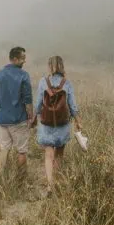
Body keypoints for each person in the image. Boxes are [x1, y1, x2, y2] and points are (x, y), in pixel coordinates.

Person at [33, 55, 82, 189]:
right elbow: (72, 106)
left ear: (50, 66)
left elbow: (38, 104)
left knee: (48, 154)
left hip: (46, 123)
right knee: (59, 154)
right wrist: (78, 121)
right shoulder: (67, 83)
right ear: (62, 66)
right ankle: (58, 180)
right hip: (62, 123)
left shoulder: (43, 81)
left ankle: (50, 185)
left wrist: (33, 118)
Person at [0, 46, 33, 175]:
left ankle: (0, 178)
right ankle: (21, 181)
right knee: (22, 151)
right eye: (22, 58)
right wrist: (31, 117)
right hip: (19, 119)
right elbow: (27, 100)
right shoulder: (24, 75)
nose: (24, 61)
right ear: (14, 59)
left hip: (2, 119)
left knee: (4, 149)